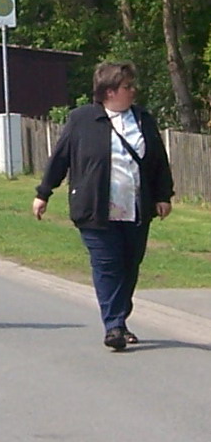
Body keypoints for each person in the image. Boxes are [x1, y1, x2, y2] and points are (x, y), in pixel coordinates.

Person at [32, 61, 174, 350]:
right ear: (109, 92)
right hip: (96, 209)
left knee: (129, 266)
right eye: (127, 86)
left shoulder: (143, 119)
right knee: (107, 265)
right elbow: (60, 158)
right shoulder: (81, 119)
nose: (133, 91)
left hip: (135, 209)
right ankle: (114, 326)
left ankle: (119, 319)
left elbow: (158, 161)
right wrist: (43, 193)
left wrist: (163, 195)